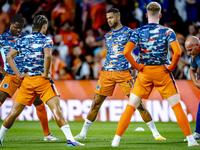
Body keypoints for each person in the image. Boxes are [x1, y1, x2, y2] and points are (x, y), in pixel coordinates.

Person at [111, 2, 199, 147]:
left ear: (146, 15)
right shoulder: (168, 31)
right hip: (162, 72)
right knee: (177, 106)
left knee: (131, 106)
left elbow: (126, 52)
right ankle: (190, 139)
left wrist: (138, 67)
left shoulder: (137, 32)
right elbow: (177, 52)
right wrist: (171, 68)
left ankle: (116, 140)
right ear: (160, 15)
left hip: (144, 72)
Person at [75, 8, 165, 141]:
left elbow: (141, 48)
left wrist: (137, 65)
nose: (109, 20)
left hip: (124, 74)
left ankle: (156, 134)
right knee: (95, 104)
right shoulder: (108, 36)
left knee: (138, 104)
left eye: (111, 17)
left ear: (118, 17)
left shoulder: (130, 33)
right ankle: (82, 134)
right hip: (106, 73)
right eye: (107, 18)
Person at [0, 15, 84, 146]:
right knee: (56, 109)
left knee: (13, 112)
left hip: (26, 80)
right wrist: (46, 72)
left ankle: (0, 139)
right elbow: (48, 56)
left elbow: (9, 56)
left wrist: (19, 74)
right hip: (41, 80)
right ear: (44, 26)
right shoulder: (46, 40)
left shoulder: (23, 40)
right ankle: (71, 140)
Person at [0, 14, 59, 141]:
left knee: (39, 103)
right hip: (11, 75)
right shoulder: (1, 39)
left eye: (21, 28)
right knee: (0, 98)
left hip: (27, 76)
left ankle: (47, 134)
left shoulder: (25, 38)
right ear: (10, 24)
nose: (19, 30)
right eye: (16, 27)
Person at [185, 36, 200, 141]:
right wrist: (195, 82)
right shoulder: (195, 56)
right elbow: (192, 70)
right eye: (187, 50)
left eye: (190, 50)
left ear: (197, 45)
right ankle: (198, 133)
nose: (189, 53)